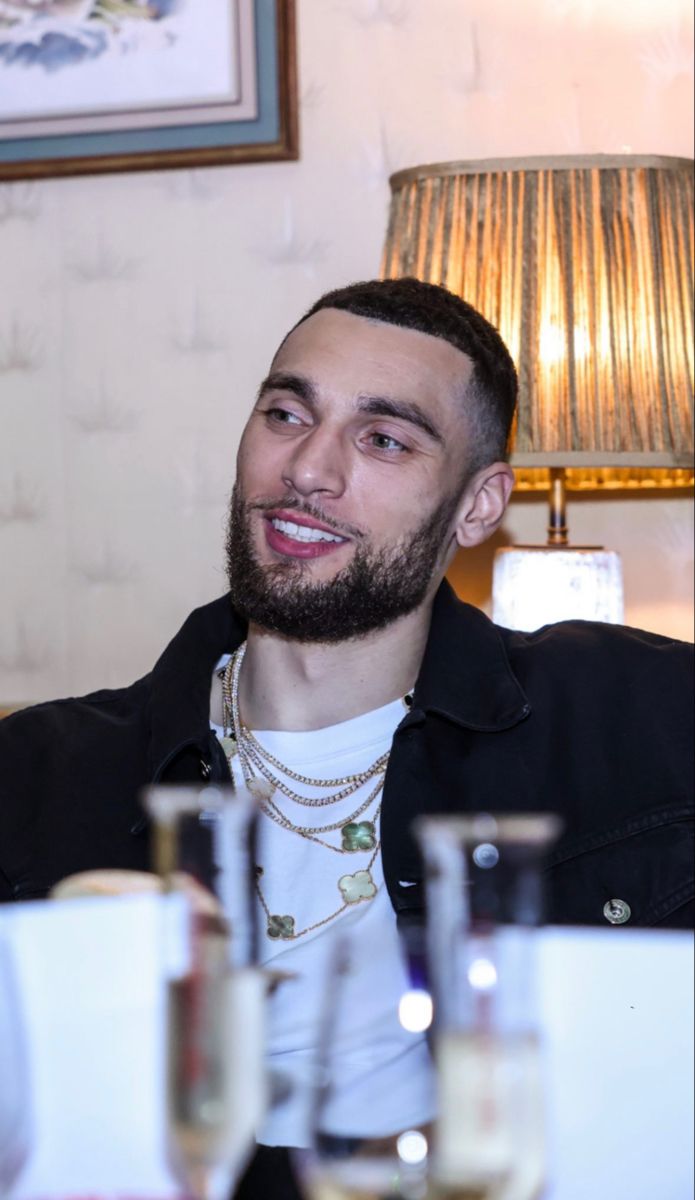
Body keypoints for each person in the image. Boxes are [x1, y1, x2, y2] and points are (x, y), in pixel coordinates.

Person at [1, 278, 693, 1199]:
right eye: (287, 413)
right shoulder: (39, 776)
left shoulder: (637, 716)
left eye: (383, 439)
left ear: (478, 507)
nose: (309, 469)